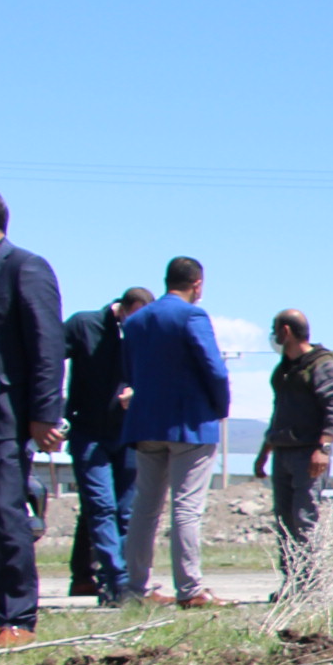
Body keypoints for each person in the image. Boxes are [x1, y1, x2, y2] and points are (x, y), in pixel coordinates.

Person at [121, 257, 232, 609]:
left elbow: (129, 369)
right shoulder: (192, 316)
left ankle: (136, 588)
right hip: (190, 423)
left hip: (146, 423)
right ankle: (190, 589)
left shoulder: (136, 320)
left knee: (145, 507)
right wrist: (220, 408)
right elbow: (213, 368)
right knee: (186, 507)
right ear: (197, 284)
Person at [0, 186, 64, 645]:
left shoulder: (25, 267)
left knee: (6, 511)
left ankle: (19, 617)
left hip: (6, 417)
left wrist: (45, 414)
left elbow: (47, 346)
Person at [64, 287, 153, 607]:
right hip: (88, 432)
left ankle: (124, 582)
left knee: (127, 511)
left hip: (127, 434)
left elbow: (157, 375)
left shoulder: (144, 334)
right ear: (125, 309)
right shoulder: (83, 325)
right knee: (101, 507)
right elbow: (46, 358)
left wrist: (138, 393)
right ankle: (116, 583)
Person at [252, 310, 333, 600]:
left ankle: (308, 585)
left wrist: (324, 447)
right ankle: (291, 582)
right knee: (285, 522)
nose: (273, 336)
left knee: (304, 520)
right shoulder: (284, 369)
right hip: (283, 452)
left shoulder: (322, 365)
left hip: (309, 455)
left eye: (275, 330)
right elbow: (279, 413)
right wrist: (264, 451)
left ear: (285, 331)